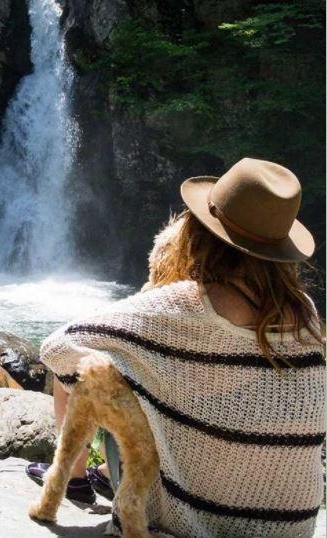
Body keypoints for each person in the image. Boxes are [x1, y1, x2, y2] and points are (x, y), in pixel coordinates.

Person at [27, 158, 325, 537]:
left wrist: (142, 369)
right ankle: (103, 472)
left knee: (109, 372)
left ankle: (75, 478)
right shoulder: (306, 313)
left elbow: (58, 348)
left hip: (192, 521)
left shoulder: (182, 306)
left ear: (200, 233)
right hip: (287, 529)